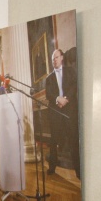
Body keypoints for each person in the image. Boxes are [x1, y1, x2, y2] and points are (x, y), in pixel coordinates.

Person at [44, 48, 80, 178]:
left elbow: (74, 86)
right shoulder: (49, 78)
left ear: (62, 58)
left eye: (57, 57)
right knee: (53, 141)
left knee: (73, 140)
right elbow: (49, 94)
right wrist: (57, 99)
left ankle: (79, 170)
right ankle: (52, 167)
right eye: (53, 59)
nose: (55, 60)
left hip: (69, 111)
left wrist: (66, 99)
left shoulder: (71, 72)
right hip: (55, 113)